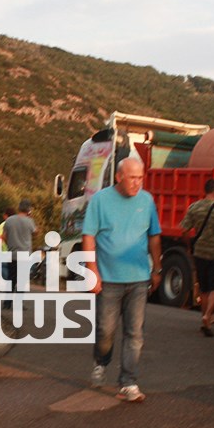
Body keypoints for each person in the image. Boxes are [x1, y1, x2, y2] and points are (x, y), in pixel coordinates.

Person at [81, 157, 162, 403]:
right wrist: (92, 271)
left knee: (134, 333)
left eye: (141, 178)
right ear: (119, 177)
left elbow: (154, 237)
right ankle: (101, 360)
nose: (137, 183)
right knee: (106, 330)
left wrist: (157, 268)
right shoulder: (100, 200)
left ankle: (128, 382)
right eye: (132, 178)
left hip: (138, 278)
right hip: (108, 279)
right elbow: (89, 236)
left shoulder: (147, 200)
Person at [180, 178, 214, 337]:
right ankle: (208, 315)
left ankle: (205, 318)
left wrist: (190, 246)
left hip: (200, 253)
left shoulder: (194, 207)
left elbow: (183, 230)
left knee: (204, 287)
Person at [3, 199, 37, 292]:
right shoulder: (30, 221)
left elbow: (4, 236)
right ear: (29, 210)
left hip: (12, 253)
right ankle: (18, 303)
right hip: (25, 254)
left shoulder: (9, 220)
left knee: (11, 279)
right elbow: (35, 233)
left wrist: (10, 244)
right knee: (22, 281)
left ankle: (7, 303)